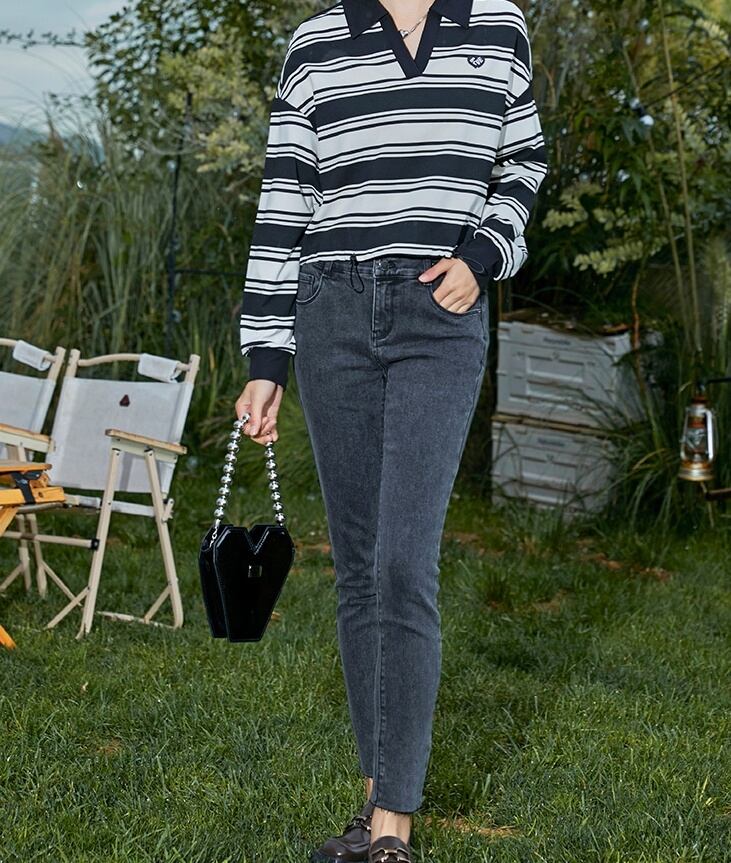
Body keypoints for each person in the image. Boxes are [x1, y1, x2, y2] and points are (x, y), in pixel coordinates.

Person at [235, 1, 547, 860]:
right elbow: (284, 199)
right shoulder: (315, 42)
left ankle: (392, 828)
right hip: (330, 306)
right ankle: (377, 803)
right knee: (361, 568)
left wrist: (482, 255)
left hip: (437, 311)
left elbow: (522, 163)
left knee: (404, 563)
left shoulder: (496, 25)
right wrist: (265, 357)